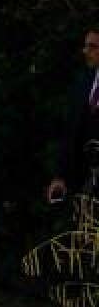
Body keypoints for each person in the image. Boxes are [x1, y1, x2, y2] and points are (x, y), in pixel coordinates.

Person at [48, 27, 99, 204]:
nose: (85, 51)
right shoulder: (83, 82)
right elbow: (70, 131)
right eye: (86, 46)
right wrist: (60, 176)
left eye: (92, 46)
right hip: (86, 185)